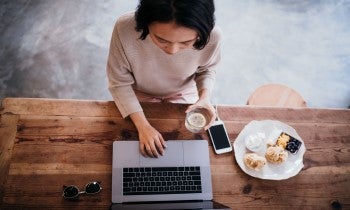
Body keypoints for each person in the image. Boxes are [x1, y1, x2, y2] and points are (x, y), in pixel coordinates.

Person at [106, 0, 222, 158]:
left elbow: (207, 69)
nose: (173, 51)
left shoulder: (213, 36)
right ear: (145, 23)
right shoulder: (124, 28)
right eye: (162, 40)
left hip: (183, 91)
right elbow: (119, 83)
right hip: (137, 92)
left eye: (186, 42)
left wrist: (204, 97)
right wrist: (143, 126)